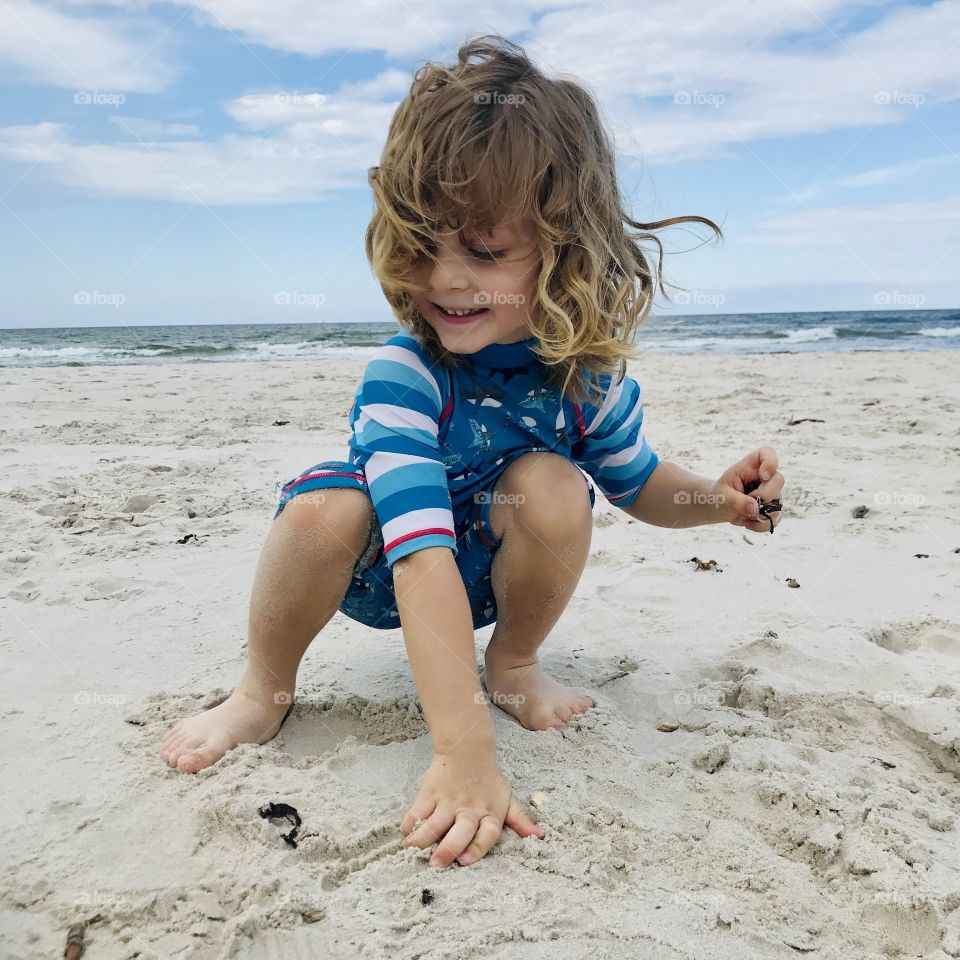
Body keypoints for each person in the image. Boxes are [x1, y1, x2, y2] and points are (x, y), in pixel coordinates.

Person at [160, 34, 785, 870]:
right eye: (424, 245)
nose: (447, 280)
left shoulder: (583, 378)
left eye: (485, 251)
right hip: (383, 561)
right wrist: (463, 754)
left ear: (566, 247)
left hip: (489, 569)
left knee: (557, 482)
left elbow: (637, 483)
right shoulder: (407, 374)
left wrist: (718, 500)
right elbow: (420, 559)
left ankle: (515, 663)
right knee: (324, 508)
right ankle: (258, 688)